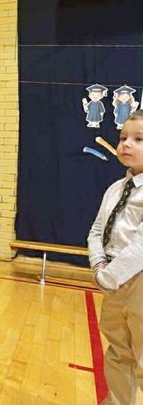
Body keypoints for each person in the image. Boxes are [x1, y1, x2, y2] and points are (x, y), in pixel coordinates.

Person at [88, 108, 143, 405]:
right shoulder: (115, 189)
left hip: (138, 281)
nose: (126, 144)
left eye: (139, 139)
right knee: (119, 350)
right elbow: (97, 229)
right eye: (123, 138)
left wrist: (109, 276)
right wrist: (99, 265)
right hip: (113, 279)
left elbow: (140, 247)